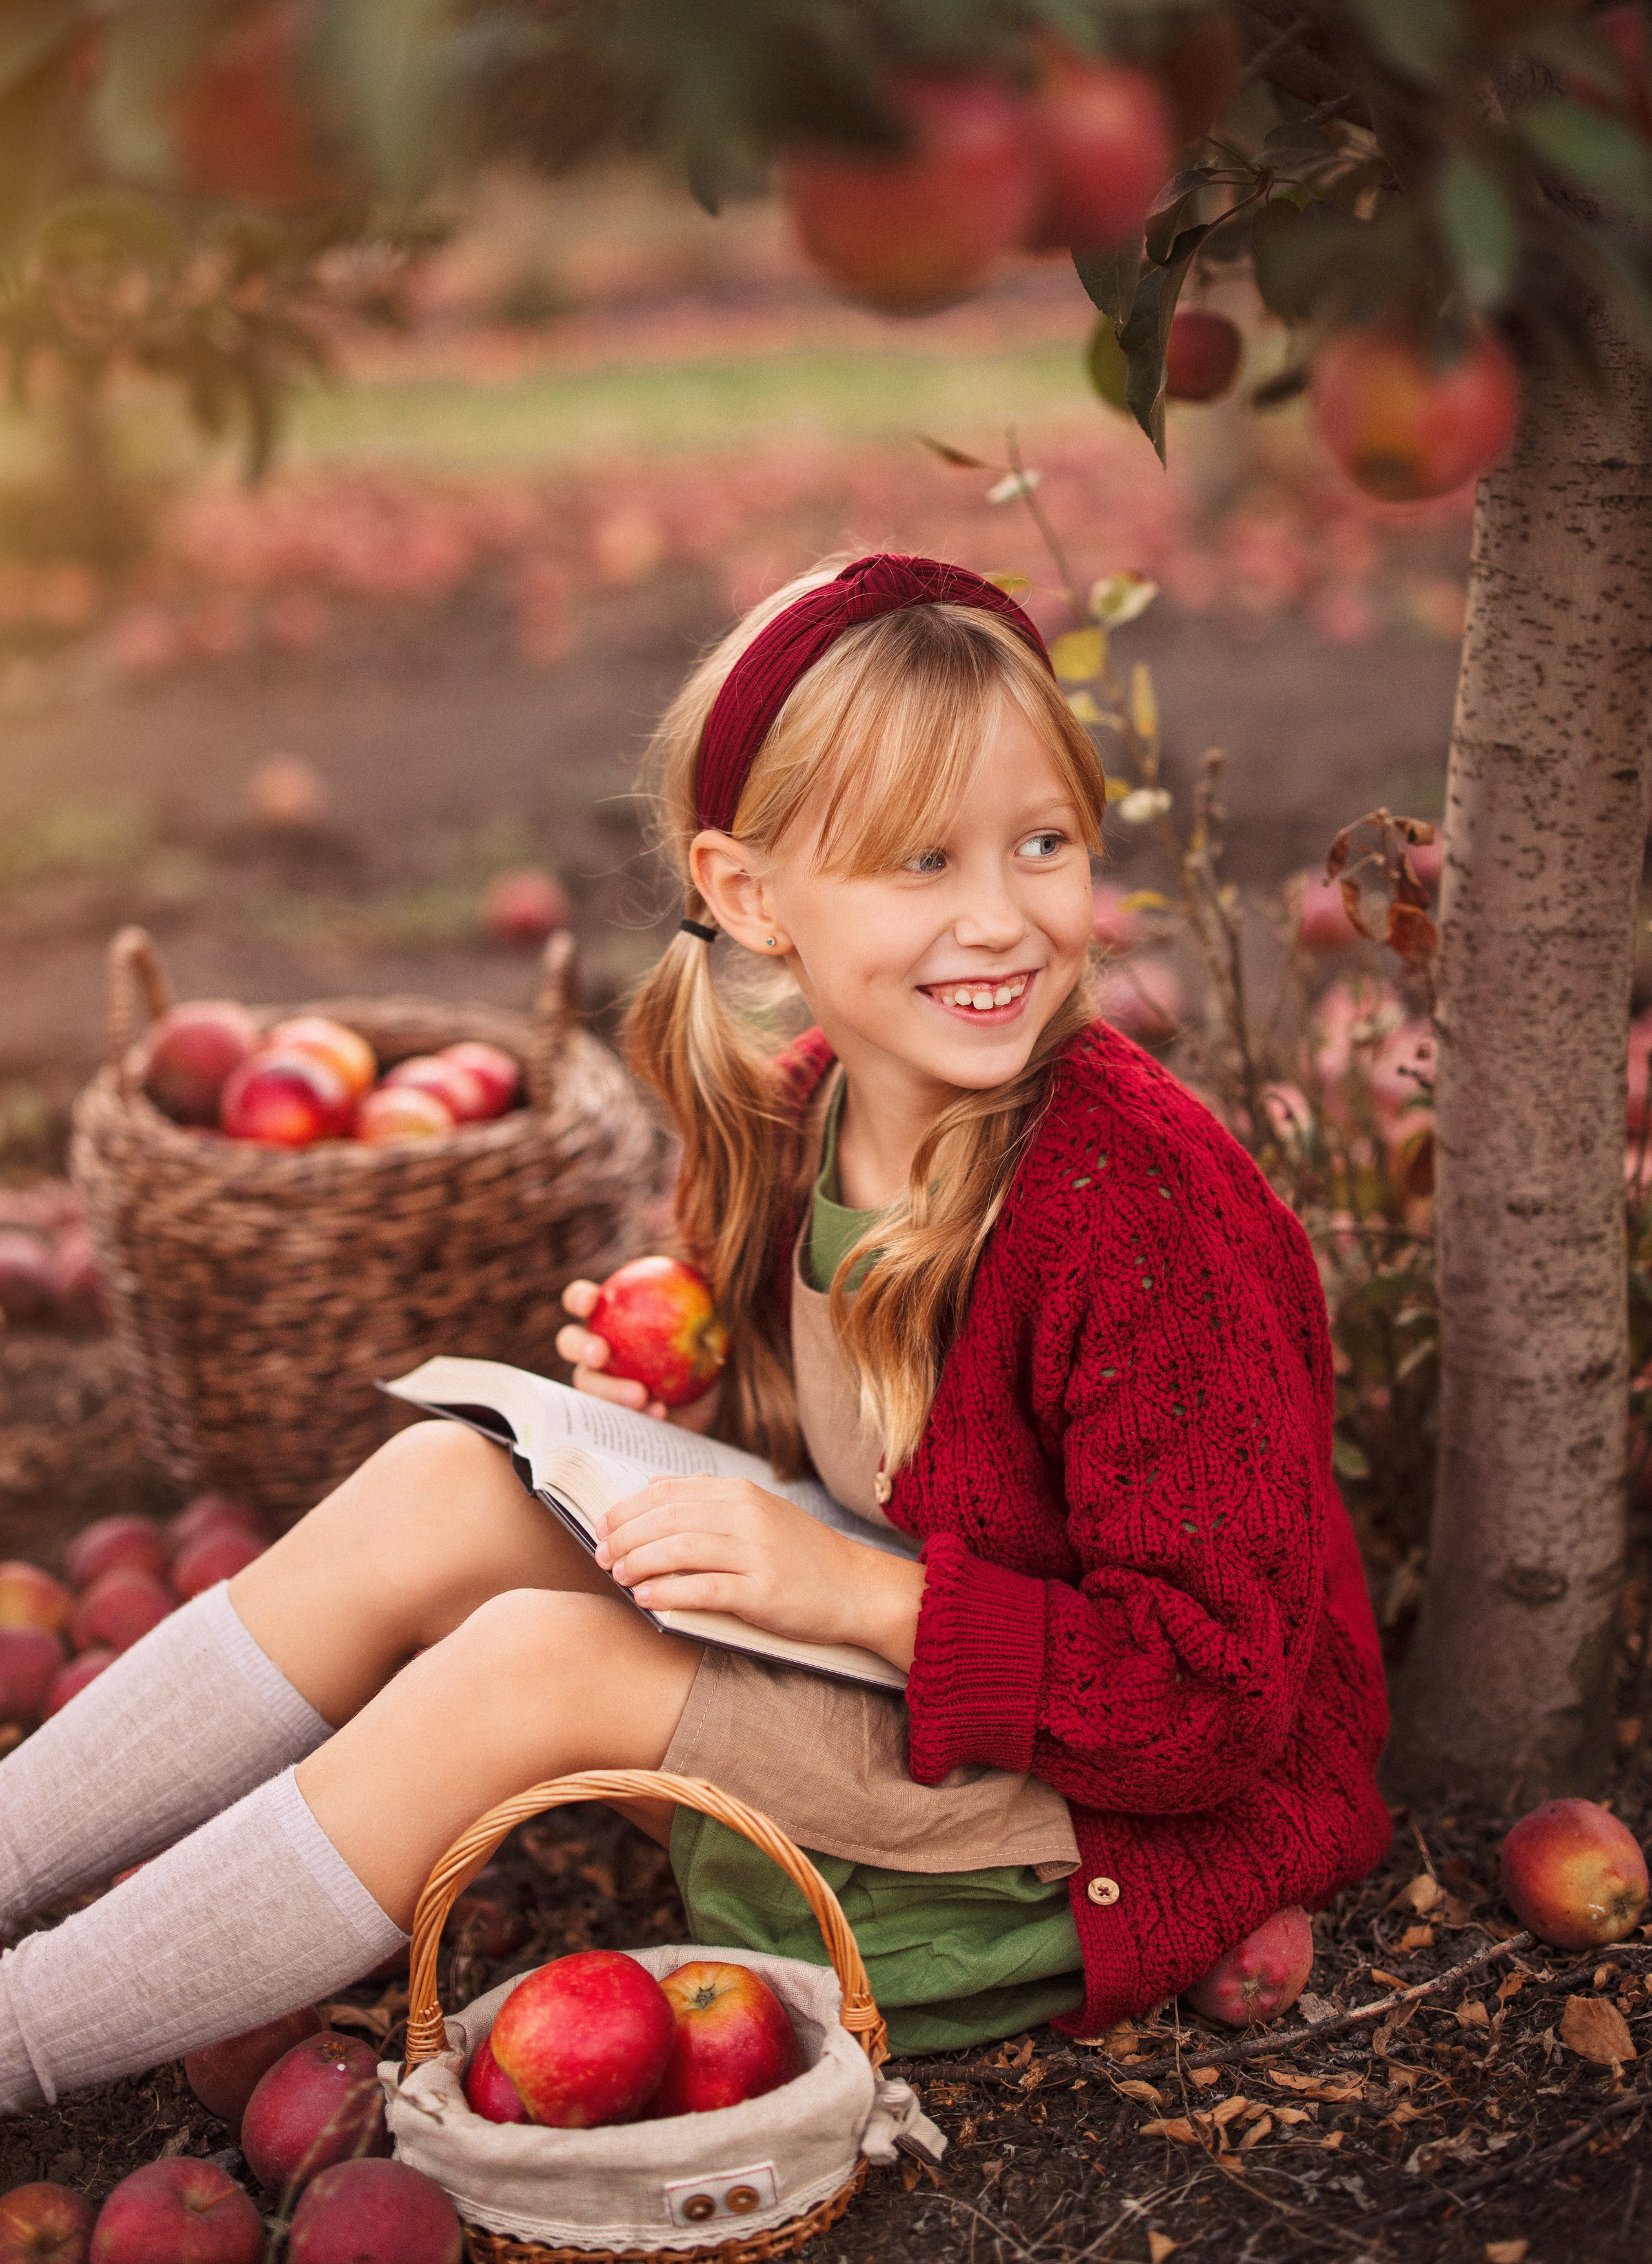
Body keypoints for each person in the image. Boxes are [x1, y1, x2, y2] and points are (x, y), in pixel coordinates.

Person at [0, 552, 1389, 2110]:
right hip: (916, 1680)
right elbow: (879, 1458)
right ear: (747, 895)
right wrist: (686, 1389)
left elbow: (1207, 1703)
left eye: (1042, 843)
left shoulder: (1136, 1212)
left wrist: (858, 1597)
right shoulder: (804, 1111)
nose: (997, 919)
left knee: (534, 1663)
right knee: (439, 1482)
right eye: (916, 862)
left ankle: (20, 2038)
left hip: (1098, 1817)